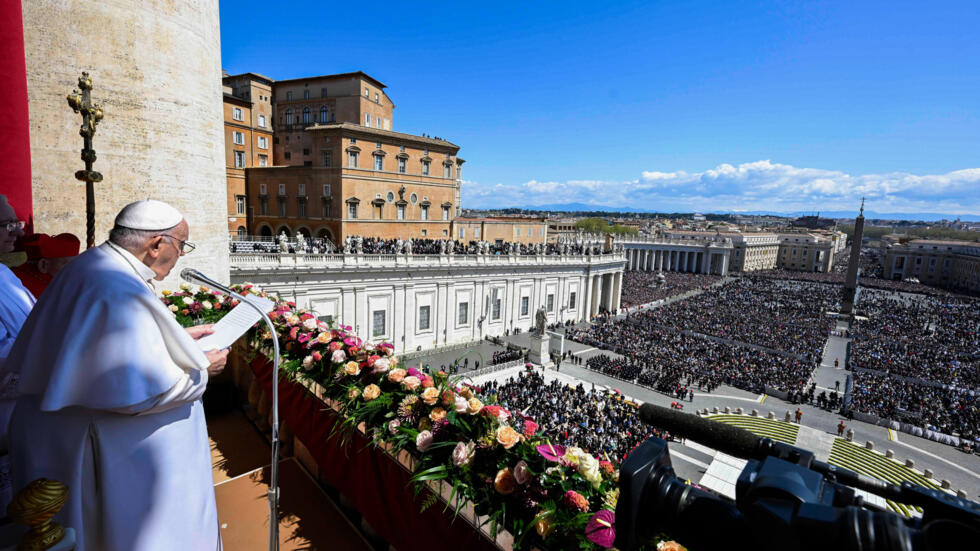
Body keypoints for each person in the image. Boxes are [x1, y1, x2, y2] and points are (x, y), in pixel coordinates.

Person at [5, 199, 228, 551]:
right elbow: (137, 393)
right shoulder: (114, 288)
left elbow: (99, 351)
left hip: (64, 434)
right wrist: (204, 369)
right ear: (157, 244)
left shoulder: (94, 266)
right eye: (181, 245)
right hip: (105, 449)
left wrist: (179, 339)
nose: (182, 255)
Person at [12, 232, 80, 297]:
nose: (74, 270)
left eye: (76, 264)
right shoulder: (32, 286)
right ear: (43, 265)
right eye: (67, 265)